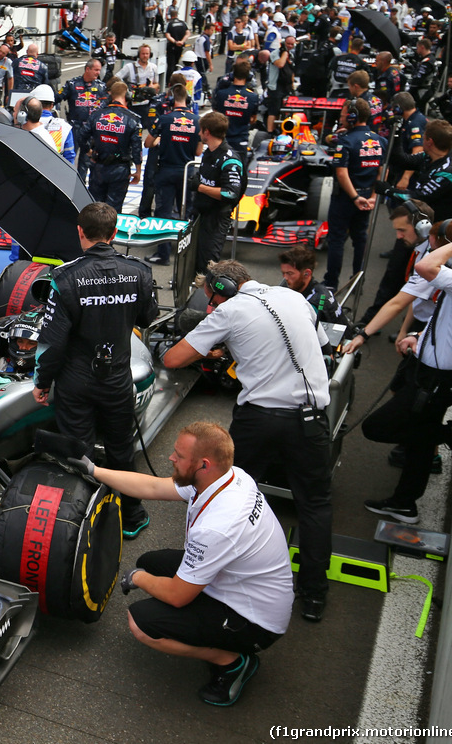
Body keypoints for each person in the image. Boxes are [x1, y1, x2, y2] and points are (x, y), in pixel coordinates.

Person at [163, 259, 333, 622]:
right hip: (311, 418)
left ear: (223, 287)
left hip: (261, 420)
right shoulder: (293, 297)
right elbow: (319, 344)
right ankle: (315, 596)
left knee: (226, 496)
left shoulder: (230, 310)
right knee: (315, 506)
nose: (211, 307)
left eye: (212, 298)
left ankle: (204, 577)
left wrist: (213, 341)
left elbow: (174, 358)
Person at [82, 422, 292, 707]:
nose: (171, 458)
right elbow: (153, 486)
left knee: (141, 622)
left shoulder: (218, 526)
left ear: (203, 464)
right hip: (243, 583)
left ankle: (232, 662)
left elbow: (177, 596)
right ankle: (206, 626)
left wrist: (137, 577)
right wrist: (93, 470)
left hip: (257, 619)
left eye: (179, 456)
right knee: (152, 562)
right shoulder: (229, 477)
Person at [353, 221, 452, 524]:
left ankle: (450, 433)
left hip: (439, 380)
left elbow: (427, 266)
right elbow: (449, 317)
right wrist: (418, 337)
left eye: (439, 245)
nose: (435, 252)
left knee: (376, 427)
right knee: (418, 444)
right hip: (434, 372)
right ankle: (405, 504)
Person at [32, 202, 158, 537]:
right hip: (118, 377)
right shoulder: (140, 272)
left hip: (76, 381)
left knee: (79, 452)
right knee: (121, 449)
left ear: (80, 233)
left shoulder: (63, 277)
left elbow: (52, 342)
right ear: (114, 233)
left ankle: (80, 524)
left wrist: (41, 382)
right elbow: (149, 318)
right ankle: (132, 517)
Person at [323, 99, 385, 291]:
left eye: (342, 116)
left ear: (352, 117)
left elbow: (341, 173)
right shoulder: (380, 140)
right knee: (360, 239)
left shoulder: (346, 141)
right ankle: (358, 280)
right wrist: (373, 196)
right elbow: (382, 172)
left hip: (346, 199)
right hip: (368, 198)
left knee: (337, 240)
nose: (341, 119)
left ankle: (331, 283)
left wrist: (354, 197)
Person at [143, 84, 201, 265]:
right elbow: (199, 152)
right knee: (187, 213)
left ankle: (163, 254)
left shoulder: (165, 119)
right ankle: (187, 254)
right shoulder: (197, 120)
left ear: (171, 99)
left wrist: (162, 139)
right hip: (188, 171)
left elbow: (147, 144)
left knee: (163, 213)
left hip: (167, 171)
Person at [360, 199, 435, 327]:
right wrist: (403, 331)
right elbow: (415, 298)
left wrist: (364, 334)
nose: (398, 236)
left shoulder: (430, 261)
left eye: (402, 230)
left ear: (422, 228)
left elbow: (397, 304)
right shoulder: (420, 249)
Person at [190, 111, 245, 277]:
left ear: (207, 132)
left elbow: (230, 193)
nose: (199, 133)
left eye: (201, 130)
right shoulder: (209, 152)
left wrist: (199, 187)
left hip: (216, 218)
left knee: (208, 265)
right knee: (193, 260)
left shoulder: (230, 159)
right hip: (200, 213)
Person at [84, 80, 142, 212]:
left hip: (98, 166)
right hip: (120, 169)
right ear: (127, 96)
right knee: (113, 210)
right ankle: (111, 232)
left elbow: (82, 136)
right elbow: (137, 147)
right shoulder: (133, 119)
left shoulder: (96, 115)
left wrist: (89, 152)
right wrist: (138, 171)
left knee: (95, 207)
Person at [397, 118, 452, 221]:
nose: (422, 141)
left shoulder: (448, 172)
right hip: (420, 222)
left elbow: (418, 198)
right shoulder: (428, 157)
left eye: (424, 138)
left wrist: (387, 190)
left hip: (436, 230)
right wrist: (396, 134)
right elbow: (402, 160)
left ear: (429, 142)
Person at [62, 58, 106, 182]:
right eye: (96, 70)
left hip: (91, 130)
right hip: (75, 127)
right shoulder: (72, 84)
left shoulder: (101, 87)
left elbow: (107, 106)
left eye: (99, 70)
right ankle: (65, 182)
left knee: (85, 161)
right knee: (69, 157)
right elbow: (57, 98)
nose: (98, 72)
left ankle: (80, 186)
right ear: (88, 69)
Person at [279, 245, 344, 324]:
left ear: (307, 273)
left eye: (290, 273)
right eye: (283, 273)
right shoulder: (315, 288)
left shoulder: (311, 306)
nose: (285, 277)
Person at [211, 60, 260, 163]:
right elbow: (253, 119)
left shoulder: (221, 94)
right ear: (249, 77)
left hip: (221, 139)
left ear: (232, 75)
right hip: (240, 140)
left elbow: (215, 114)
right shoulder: (253, 97)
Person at [387, 91, 427, 189]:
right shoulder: (414, 119)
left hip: (411, 173)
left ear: (399, 108)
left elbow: (418, 150)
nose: (392, 110)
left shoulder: (414, 124)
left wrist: (405, 177)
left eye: (394, 108)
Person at [165, 7, 190, 75]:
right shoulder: (183, 23)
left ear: (171, 16)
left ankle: (168, 80)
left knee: (170, 64)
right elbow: (187, 33)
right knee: (176, 63)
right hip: (181, 46)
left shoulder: (169, 24)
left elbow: (168, 35)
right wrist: (182, 41)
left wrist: (175, 42)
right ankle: (175, 78)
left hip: (172, 46)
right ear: (177, 15)